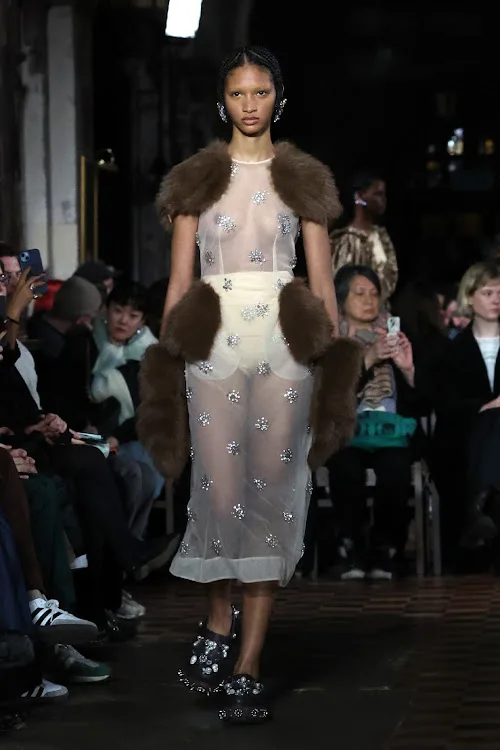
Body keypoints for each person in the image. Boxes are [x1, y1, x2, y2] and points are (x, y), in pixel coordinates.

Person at [138, 45, 361, 724]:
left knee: (269, 499)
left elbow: (323, 289)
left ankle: (248, 663)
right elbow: (179, 284)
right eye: (238, 94)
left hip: (285, 347)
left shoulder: (305, 184)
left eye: (261, 92)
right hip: (213, 343)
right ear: (222, 103)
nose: (250, 105)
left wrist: (331, 369)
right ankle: (215, 616)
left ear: (279, 99)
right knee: (222, 493)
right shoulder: (195, 183)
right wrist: (167, 364)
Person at [330, 170, 398, 302]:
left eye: (384, 195)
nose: (383, 200)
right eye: (377, 194)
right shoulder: (346, 239)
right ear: (360, 196)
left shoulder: (381, 236)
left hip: (382, 311)